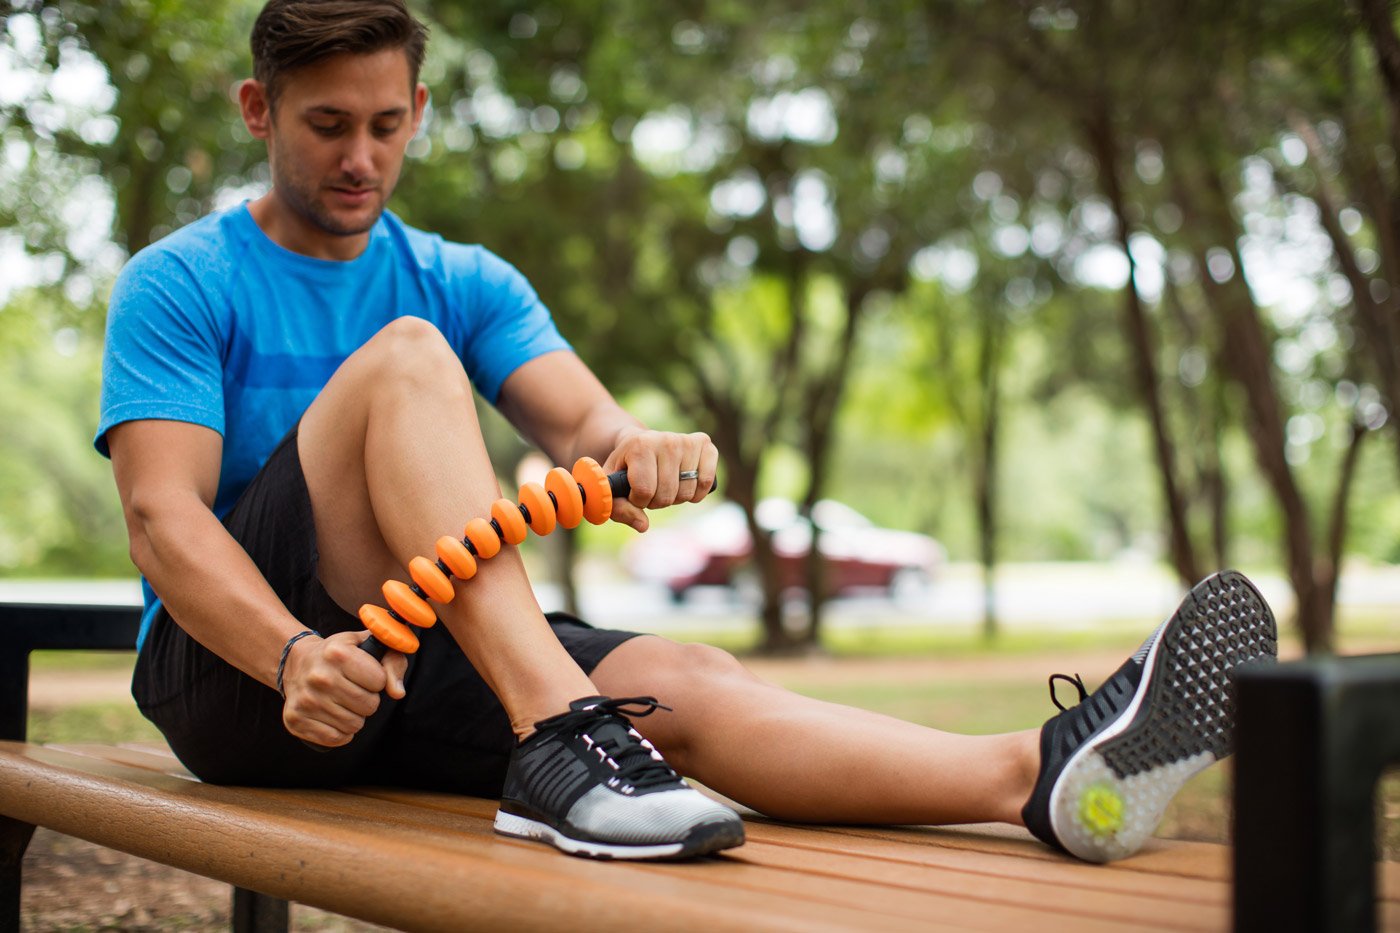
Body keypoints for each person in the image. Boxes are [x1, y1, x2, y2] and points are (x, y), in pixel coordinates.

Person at [96, 0, 1277, 864]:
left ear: (419, 113)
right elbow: (162, 519)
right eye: (326, 125)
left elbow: (588, 424)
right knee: (407, 358)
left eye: (386, 124)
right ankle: (558, 736)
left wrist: (642, 448)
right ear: (257, 110)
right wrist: (290, 656)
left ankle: (1034, 772)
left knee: (682, 683)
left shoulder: (465, 277)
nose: (361, 158)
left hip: (411, 666)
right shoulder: (184, 281)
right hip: (242, 678)